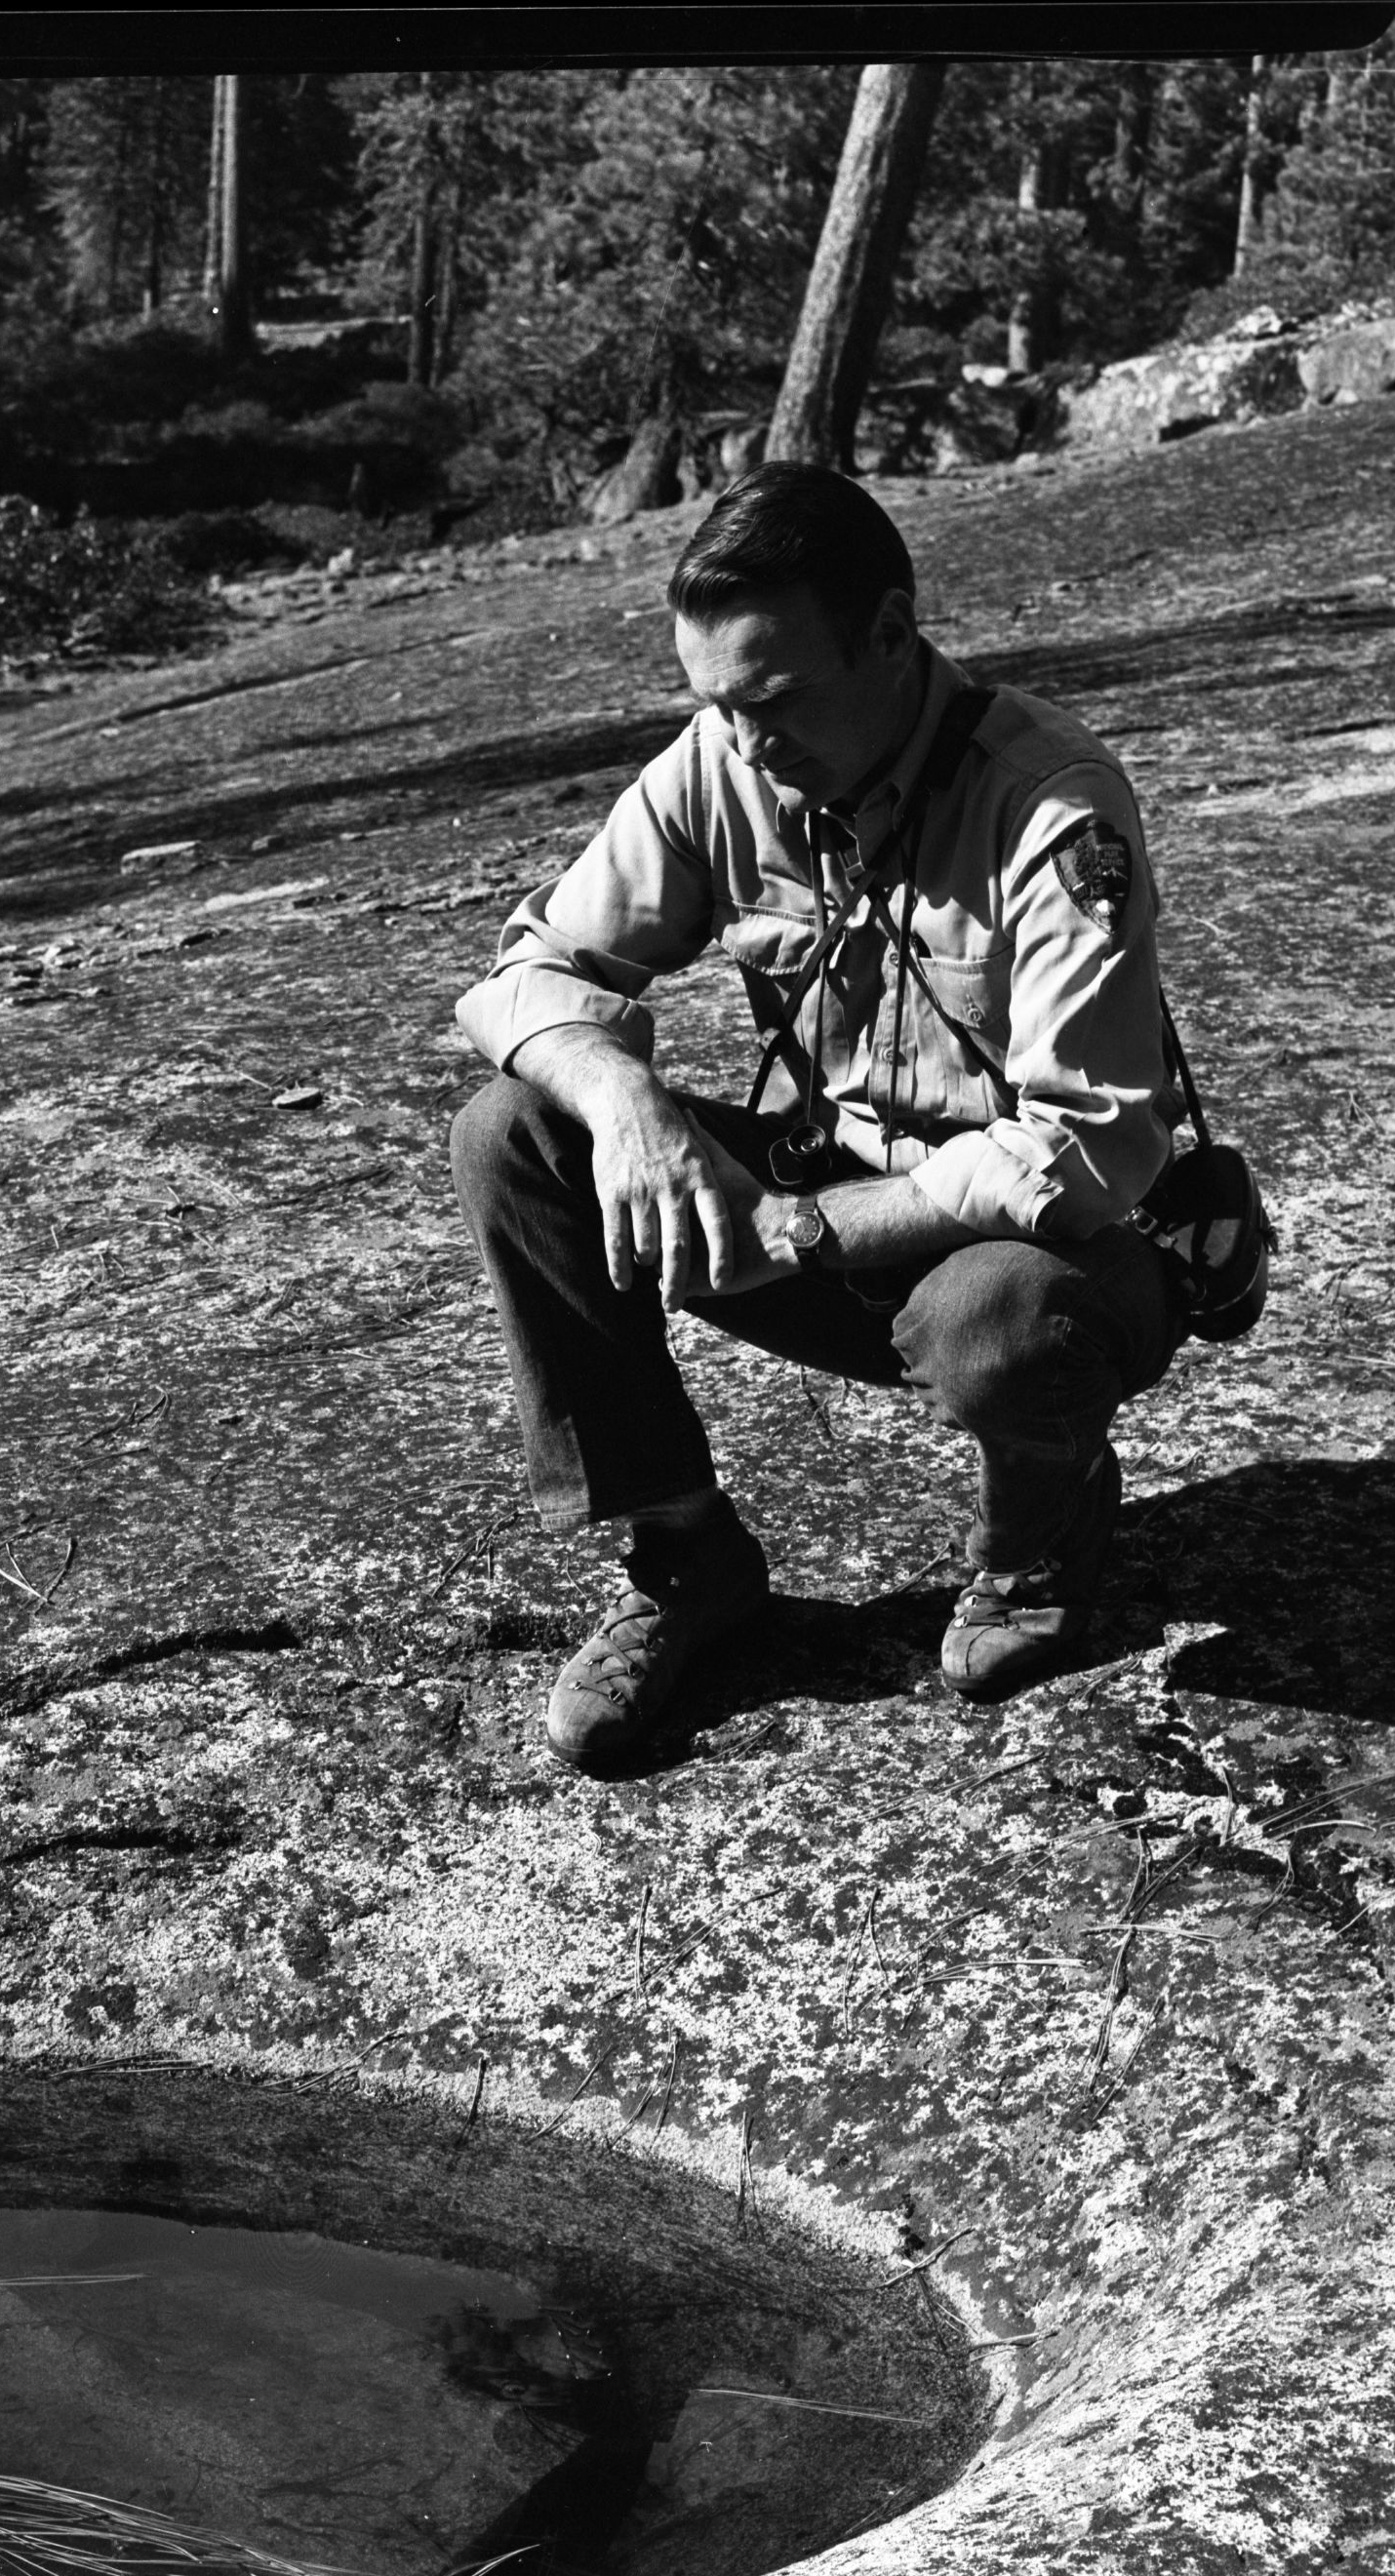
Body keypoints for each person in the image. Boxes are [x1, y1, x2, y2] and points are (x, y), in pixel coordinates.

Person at [447, 462, 1187, 1772]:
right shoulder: (725, 763)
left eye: (773, 698)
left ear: (890, 635)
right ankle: (687, 1559)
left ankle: (1042, 1532)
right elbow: (522, 976)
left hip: (1031, 1252)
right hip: (813, 1203)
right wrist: (623, 1097)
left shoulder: (1050, 803)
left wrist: (807, 1229)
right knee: (514, 1134)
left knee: (1000, 1316)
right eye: (713, 703)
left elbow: (1090, 1142)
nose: (743, 743)